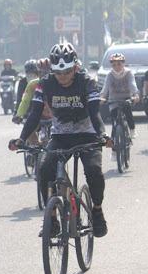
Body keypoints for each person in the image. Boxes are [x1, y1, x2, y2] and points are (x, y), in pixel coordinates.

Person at [8, 43, 113, 238]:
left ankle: (97, 210)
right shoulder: (45, 84)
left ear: (75, 67)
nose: (63, 76)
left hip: (88, 135)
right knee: (45, 170)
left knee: (94, 171)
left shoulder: (87, 82)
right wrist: (21, 139)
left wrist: (102, 135)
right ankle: (53, 219)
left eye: (67, 71)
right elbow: (34, 114)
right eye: (58, 72)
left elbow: (94, 112)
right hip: (60, 136)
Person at [99, 53, 140, 160]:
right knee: (114, 125)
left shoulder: (128, 73)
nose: (117, 67)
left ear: (123, 64)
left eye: (119, 64)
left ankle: (132, 130)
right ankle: (114, 152)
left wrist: (135, 94)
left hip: (126, 98)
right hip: (114, 100)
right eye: (114, 65)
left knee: (128, 112)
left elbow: (133, 84)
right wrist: (102, 97)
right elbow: (105, 87)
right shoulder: (110, 75)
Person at [12, 58, 53, 146]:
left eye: (48, 72)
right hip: (38, 116)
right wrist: (19, 115)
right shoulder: (32, 84)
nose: (45, 75)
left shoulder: (59, 83)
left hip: (54, 118)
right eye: (42, 72)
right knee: (29, 131)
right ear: (38, 73)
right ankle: (34, 150)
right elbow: (25, 101)